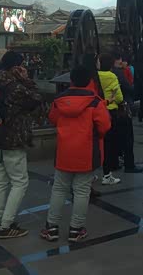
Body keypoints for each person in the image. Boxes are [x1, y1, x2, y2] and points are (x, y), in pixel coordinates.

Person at [40, 66, 111, 243]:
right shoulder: (95, 102)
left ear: (71, 80)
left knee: (59, 188)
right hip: (87, 152)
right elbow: (105, 126)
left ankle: (51, 227)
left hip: (64, 151)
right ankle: (75, 229)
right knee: (82, 191)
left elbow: (53, 119)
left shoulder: (59, 100)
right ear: (90, 81)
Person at [0, 51, 42, 239]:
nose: (24, 67)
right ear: (15, 67)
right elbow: (36, 98)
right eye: (22, 65)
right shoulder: (15, 87)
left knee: (0, 181)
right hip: (13, 138)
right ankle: (6, 225)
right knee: (20, 182)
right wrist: (27, 80)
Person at [112, 54, 143, 174]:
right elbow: (128, 88)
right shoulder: (118, 73)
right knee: (127, 138)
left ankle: (114, 162)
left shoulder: (101, 74)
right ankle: (129, 164)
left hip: (109, 109)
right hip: (122, 107)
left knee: (114, 138)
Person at [97, 53, 124, 186]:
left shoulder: (95, 76)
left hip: (97, 110)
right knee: (110, 143)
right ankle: (107, 174)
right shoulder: (112, 76)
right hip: (110, 110)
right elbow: (119, 97)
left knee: (99, 143)